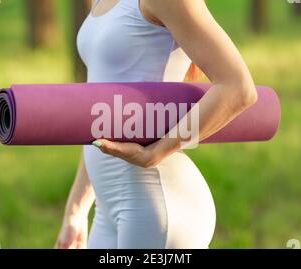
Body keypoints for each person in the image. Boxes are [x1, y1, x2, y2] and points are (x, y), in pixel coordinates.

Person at [55, 0, 257, 249]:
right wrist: (76, 209)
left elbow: (238, 87)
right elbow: (102, 120)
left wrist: (156, 152)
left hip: (157, 203)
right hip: (108, 209)